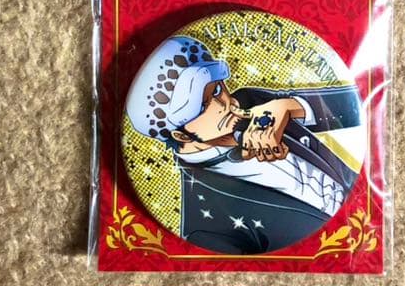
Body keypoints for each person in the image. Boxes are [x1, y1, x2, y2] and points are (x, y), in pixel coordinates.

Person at [126, 35, 362, 254]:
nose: (225, 104)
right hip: (341, 248)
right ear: (181, 136)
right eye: (203, 106)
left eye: (217, 89)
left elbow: (354, 102)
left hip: (366, 202)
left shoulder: (251, 101)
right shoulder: (204, 226)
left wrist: (290, 107)